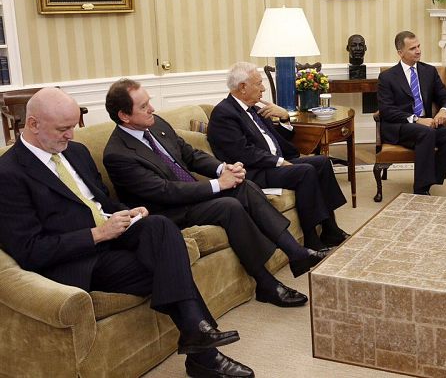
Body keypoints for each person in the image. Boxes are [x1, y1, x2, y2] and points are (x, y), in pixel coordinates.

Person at [0, 88, 253, 378]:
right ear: (33, 124)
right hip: (79, 260)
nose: (71, 135)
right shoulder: (8, 175)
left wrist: (128, 211)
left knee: (158, 225)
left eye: (72, 127)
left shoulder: (77, 152)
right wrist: (98, 234)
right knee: (171, 265)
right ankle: (204, 353)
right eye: (63, 129)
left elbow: (102, 202)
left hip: (112, 235)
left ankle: (196, 339)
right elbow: (31, 251)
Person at [102, 79, 327, 309]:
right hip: (167, 212)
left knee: (244, 184)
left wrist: (223, 169)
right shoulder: (118, 154)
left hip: (191, 196)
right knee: (229, 206)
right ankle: (267, 282)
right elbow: (165, 191)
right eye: (143, 106)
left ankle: (295, 253)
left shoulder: (155, 124)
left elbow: (190, 154)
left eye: (149, 102)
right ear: (124, 115)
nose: (152, 109)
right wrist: (218, 184)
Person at [207, 62, 349, 250]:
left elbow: (275, 140)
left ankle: (330, 230)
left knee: (322, 162)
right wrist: (279, 162)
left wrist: (284, 118)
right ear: (242, 87)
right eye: (258, 83)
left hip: (272, 164)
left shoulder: (256, 109)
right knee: (305, 171)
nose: (263, 88)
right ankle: (311, 239)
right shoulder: (224, 113)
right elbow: (242, 152)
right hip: (254, 172)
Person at [377, 30, 446, 196]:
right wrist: (416, 119)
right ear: (400, 52)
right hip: (399, 127)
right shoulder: (387, 77)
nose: (418, 51)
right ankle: (421, 190)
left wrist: (443, 111)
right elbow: (387, 110)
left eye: (418, 46)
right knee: (426, 132)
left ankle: (432, 178)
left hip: (427, 127)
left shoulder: (429, 72)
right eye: (412, 48)